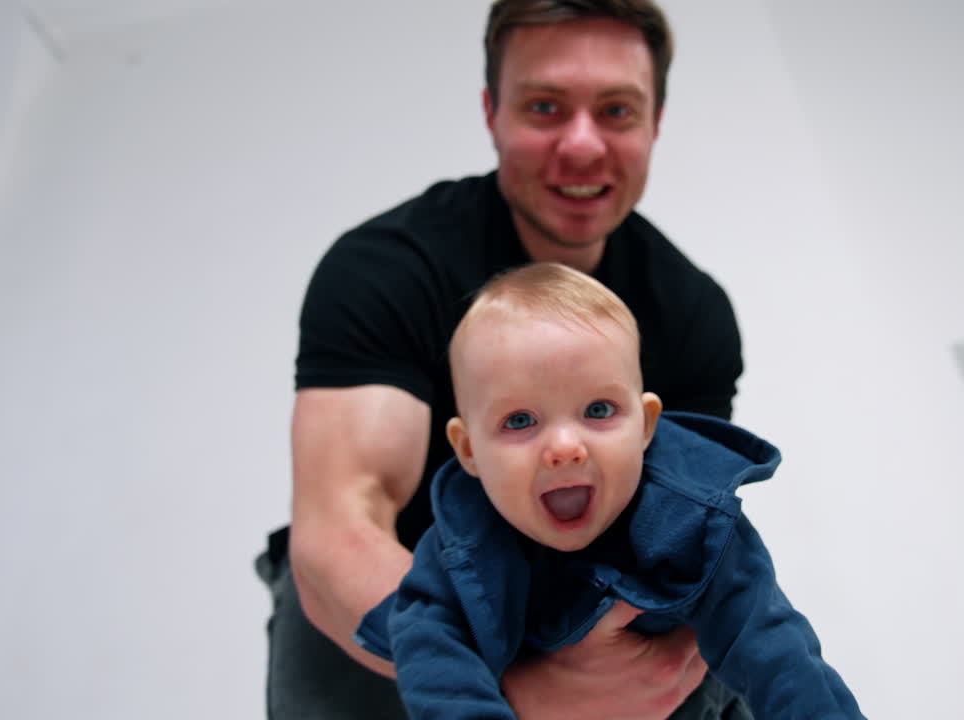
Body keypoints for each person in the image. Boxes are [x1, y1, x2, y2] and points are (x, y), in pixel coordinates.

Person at [258, 1, 747, 718]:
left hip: (576, 592)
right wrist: (511, 687)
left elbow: (680, 530)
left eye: (616, 111)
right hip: (392, 602)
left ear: (655, 123)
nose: (582, 147)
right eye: (545, 107)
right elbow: (341, 528)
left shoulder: (693, 315)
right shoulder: (385, 270)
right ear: (492, 111)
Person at [356, 263, 864, 720]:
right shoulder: (455, 549)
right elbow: (437, 671)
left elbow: (775, 648)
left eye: (598, 410)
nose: (564, 447)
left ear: (645, 425)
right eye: (520, 420)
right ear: (468, 451)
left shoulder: (692, 515)